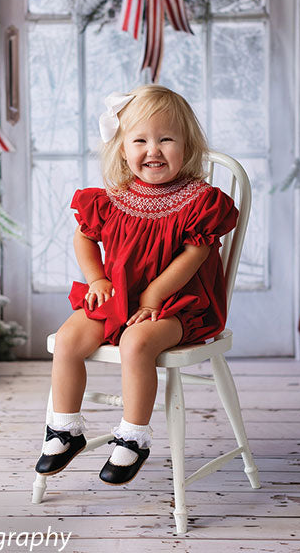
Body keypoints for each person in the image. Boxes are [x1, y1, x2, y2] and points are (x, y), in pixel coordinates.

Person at [35, 85, 239, 485]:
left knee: (136, 343)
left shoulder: (200, 200)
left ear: (188, 145)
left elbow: (195, 255)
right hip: (119, 298)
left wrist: (153, 296)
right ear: (122, 147)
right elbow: (83, 236)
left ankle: (133, 436)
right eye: (141, 140)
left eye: (167, 139)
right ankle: (65, 428)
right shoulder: (113, 198)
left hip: (180, 303)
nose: (154, 150)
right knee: (68, 339)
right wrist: (97, 277)